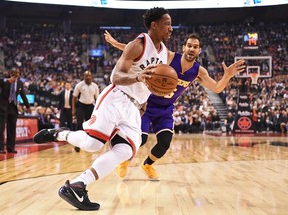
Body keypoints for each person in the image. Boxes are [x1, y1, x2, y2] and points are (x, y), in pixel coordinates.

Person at [33, 7, 172, 211]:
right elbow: (116, 78)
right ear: (154, 25)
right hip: (116, 97)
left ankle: (78, 185)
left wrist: (144, 102)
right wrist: (138, 77)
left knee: (127, 149)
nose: (171, 28)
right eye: (167, 23)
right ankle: (59, 133)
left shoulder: (164, 54)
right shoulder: (138, 44)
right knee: (92, 144)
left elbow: (150, 84)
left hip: (133, 108)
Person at [104, 31, 246, 180]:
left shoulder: (198, 71)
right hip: (147, 104)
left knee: (164, 143)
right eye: (189, 46)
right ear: (184, 47)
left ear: (199, 50)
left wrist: (228, 75)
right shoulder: (169, 57)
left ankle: (147, 165)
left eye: (195, 47)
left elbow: (216, 88)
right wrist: (114, 43)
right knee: (141, 139)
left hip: (165, 109)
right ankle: (124, 161)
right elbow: (139, 52)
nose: (191, 49)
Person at [0, 67, 31, 154]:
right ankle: (1, 148)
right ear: (10, 73)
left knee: (12, 128)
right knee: (1, 128)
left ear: (19, 74)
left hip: (13, 107)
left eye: (17, 73)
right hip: (3, 107)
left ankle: (10, 147)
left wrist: (28, 107)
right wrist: (6, 81)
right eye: (13, 73)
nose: (15, 75)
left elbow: (23, 95)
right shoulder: (4, 81)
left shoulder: (20, 83)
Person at [72, 71, 99, 152]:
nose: (88, 77)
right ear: (83, 76)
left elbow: (97, 99)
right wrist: (73, 109)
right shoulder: (79, 85)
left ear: (92, 77)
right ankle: (77, 144)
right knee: (79, 123)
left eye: (89, 76)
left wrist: (98, 110)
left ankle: (87, 143)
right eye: (86, 76)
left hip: (90, 106)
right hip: (81, 105)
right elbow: (74, 98)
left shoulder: (95, 86)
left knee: (89, 125)